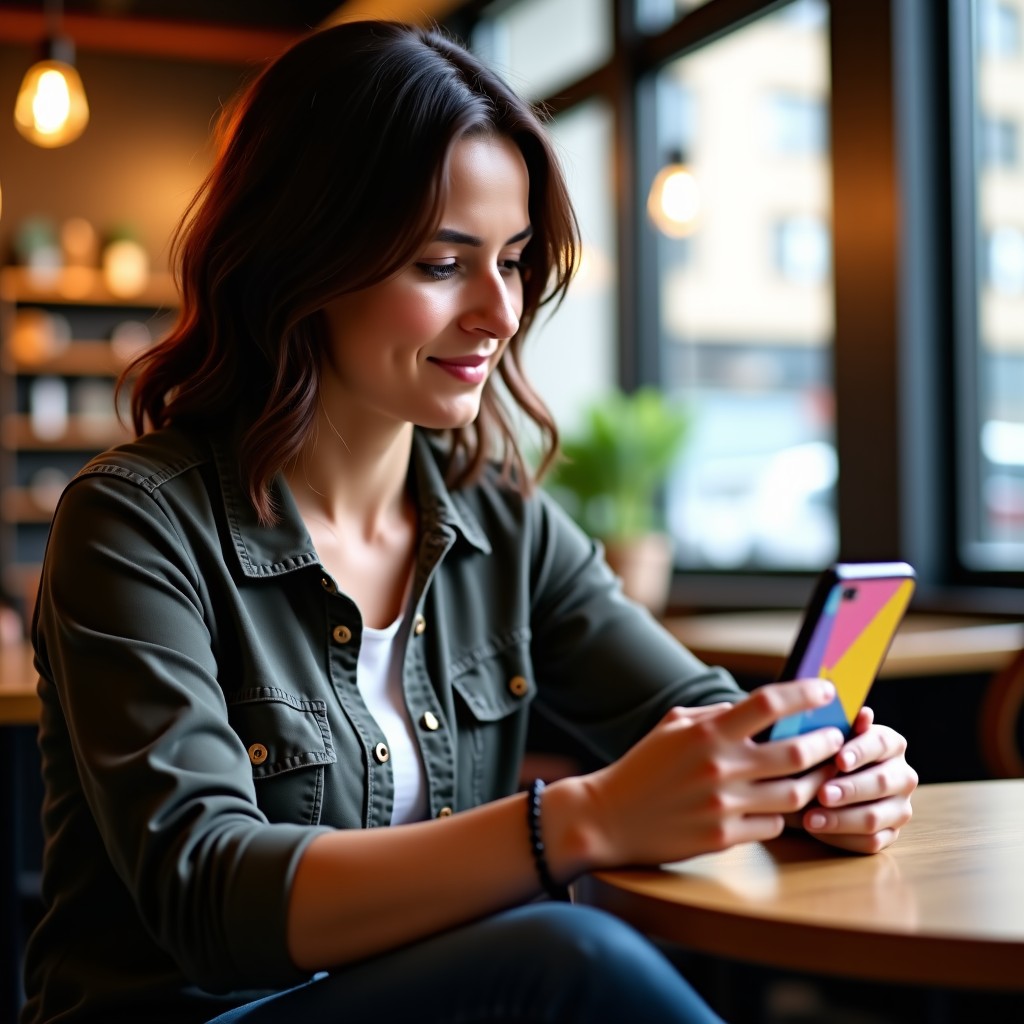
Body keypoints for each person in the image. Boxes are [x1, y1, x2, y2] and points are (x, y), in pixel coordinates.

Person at [19, 19, 917, 1024]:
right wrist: (575, 821)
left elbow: (699, 716)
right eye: (442, 265)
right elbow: (212, 895)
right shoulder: (133, 524)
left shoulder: (503, 522)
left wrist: (815, 772)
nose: (500, 311)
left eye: (516, 258)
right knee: (564, 956)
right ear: (303, 262)